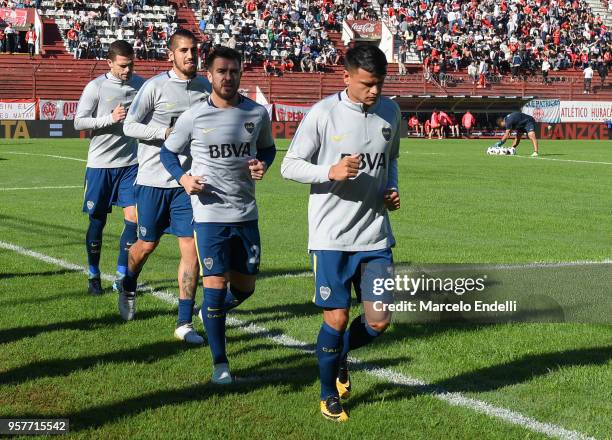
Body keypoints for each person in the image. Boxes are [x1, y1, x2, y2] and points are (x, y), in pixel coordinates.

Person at [281, 45, 400, 422]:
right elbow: (289, 166)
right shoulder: (322, 114)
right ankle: (327, 393)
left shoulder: (391, 112)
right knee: (334, 319)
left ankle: (342, 352)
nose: (374, 92)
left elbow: (390, 159)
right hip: (331, 238)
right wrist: (329, 172)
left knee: (379, 320)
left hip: (375, 235)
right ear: (345, 76)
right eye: (367, 84)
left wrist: (390, 189)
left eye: (379, 84)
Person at [160, 46, 276, 384]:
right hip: (209, 215)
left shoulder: (256, 113)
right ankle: (220, 365)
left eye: (234, 71)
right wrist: (183, 178)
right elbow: (169, 152)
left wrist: (262, 163)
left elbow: (267, 148)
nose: (228, 77)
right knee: (213, 285)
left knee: (245, 288)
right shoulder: (195, 116)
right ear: (208, 75)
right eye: (221, 71)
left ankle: (209, 312)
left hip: (246, 213)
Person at [122, 29, 211, 344]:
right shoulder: (154, 87)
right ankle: (128, 282)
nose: (191, 56)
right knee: (146, 245)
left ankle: (184, 322)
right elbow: (129, 125)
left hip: (187, 184)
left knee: (190, 248)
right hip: (152, 181)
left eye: (194, 50)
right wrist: (166, 132)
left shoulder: (205, 87)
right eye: (184, 50)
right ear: (170, 54)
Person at [74, 40, 145, 296]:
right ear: (110, 63)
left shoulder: (141, 84)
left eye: (131, 65)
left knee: (134, 220)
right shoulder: (96, 87)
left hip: (130, 164)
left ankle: (121, 275)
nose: (127, 71)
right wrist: (110, 119)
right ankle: (93, 274)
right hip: (100, 166)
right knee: (97, 222)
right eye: (123, 66)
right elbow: (78, 122)